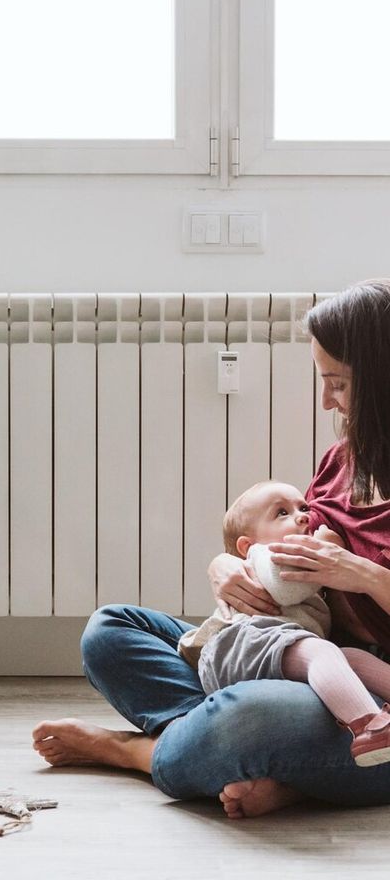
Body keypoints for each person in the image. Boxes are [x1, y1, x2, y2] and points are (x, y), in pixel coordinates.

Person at [32, 280, 390, 818]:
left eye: (337, 384)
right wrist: (225, 565)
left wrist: (362, 575)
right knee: (109, 630)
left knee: (249, 713)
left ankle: (142, 752)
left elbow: (337, 568)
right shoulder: (341, 462)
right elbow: (285, 545)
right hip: (292, 651)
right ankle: (267, 765)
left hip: (364, 689)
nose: (325, 402)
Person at [181, 479, 390, 766]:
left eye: (303, 507)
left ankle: (201, 734)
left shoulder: (271, 550)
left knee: (349, 658)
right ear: (247, 545)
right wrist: (324, 551)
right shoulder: (267, 554)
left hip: (283, 647)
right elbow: (285, 587)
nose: (303, 516)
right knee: (322, 653)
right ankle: (367, 725)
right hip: (245, 643)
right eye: (282, 513)